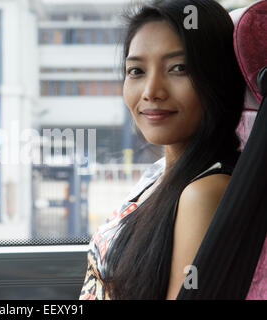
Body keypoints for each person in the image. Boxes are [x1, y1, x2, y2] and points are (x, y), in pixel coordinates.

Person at [79, 0, 246, 300]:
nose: (151, 91)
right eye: (136, 71)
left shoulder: (204, 192)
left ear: (217, 79)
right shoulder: (161, 174)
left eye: (178, 68)